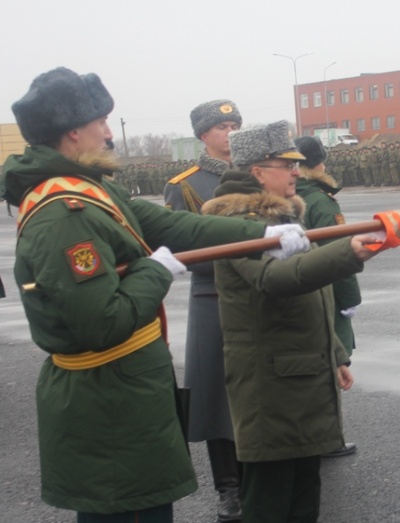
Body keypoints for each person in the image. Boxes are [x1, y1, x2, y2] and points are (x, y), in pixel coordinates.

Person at [1, 67, 310, 522]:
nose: (109, 134)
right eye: (101, 123)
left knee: (143, 506)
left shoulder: (90, 188)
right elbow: (103, 321)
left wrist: (263, 232)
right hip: (108, 400)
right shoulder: (65, 212)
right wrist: (155, 270)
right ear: (72, 131)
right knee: (128, 511)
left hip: (126, 391)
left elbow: (170, 226)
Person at [202, 121, 378, 522]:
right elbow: (275, 279)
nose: (297, 171)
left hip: (301, 377)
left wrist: (335, 352)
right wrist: (346, 253)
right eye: (286, 164)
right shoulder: (236, 225)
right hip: (271, 386)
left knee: (304, 498)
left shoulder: (283, 218)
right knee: (269, 501)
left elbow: (316, 296)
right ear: (257, 172)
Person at [163, 99, 244, 522]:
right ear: (202, 135)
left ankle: (263, 474)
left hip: (261, 295)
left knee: (261, 387)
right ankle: (228, 487)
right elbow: (180, 251)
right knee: (216, 396)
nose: (229, 131)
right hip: (211, 295)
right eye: (221, 126)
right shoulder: (186, 185)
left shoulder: (258, 173)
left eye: (234, 124)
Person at [294, 135, 361, 458]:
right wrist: (350, 297)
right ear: (319, 163)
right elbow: (340, 251)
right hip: (328, 291)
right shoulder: (320, 200)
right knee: (332, 358)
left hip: (304, 287)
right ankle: (328, 436)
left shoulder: (297, 195)